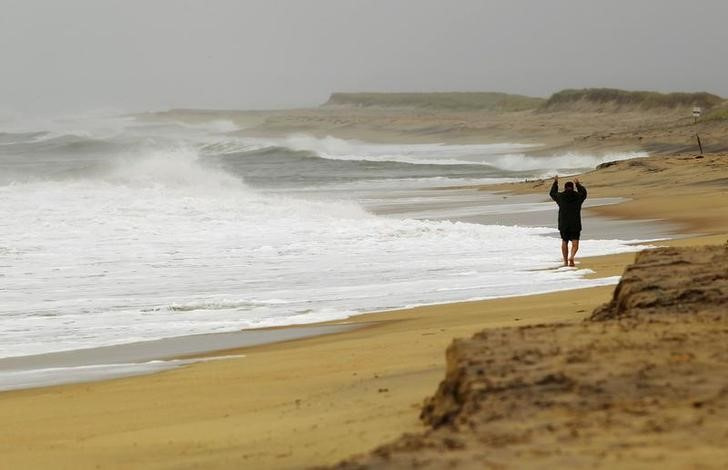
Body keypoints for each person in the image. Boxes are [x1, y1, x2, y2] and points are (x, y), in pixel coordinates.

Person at [549, 175, 587, 267]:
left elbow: (552, 193)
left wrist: (555, 182)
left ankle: (566, 261)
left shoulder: (560, 196)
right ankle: (572, 256)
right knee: (575, 243)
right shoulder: (578, 196)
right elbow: (584, 193)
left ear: (565, 188)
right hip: (575, 223)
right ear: (573, 188)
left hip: (564, 223)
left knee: (564, 241)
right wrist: (578, 184)